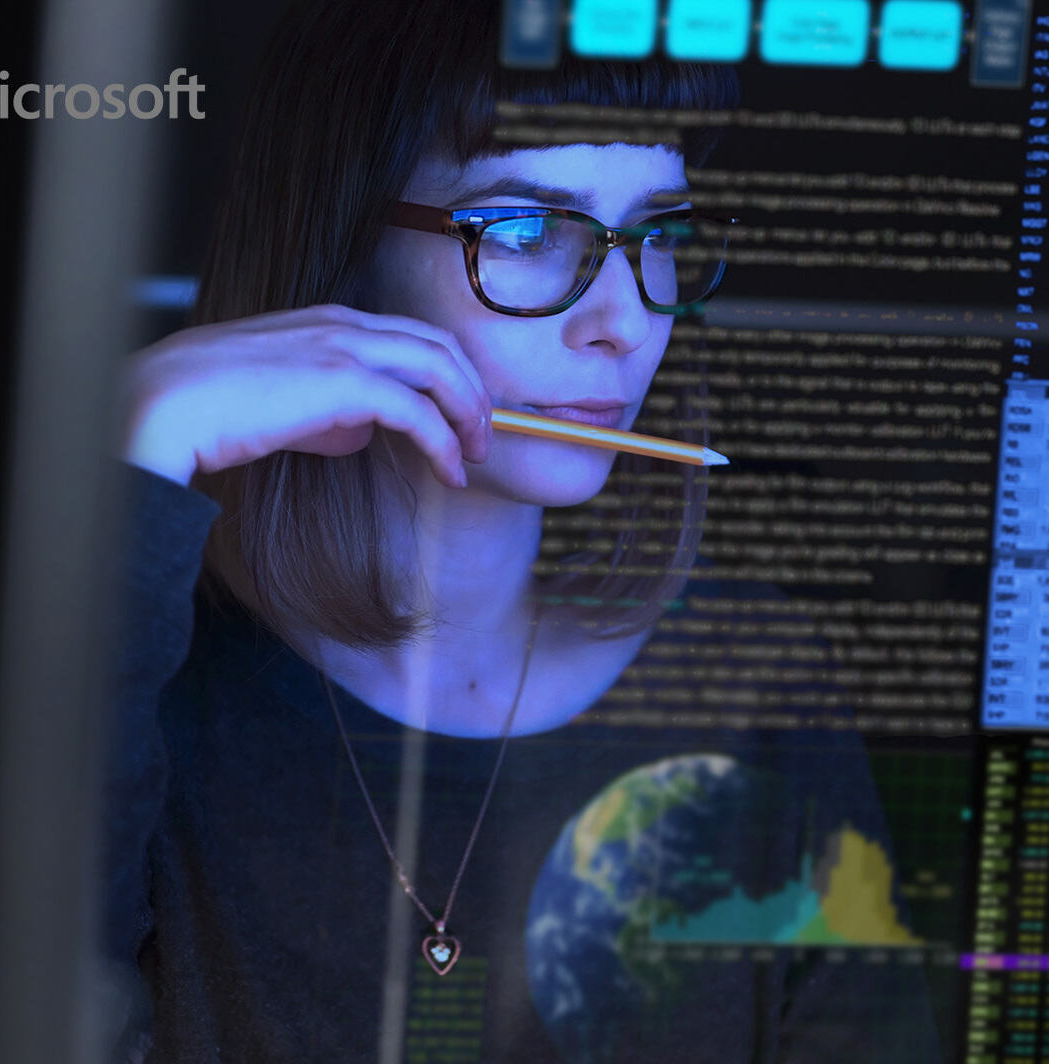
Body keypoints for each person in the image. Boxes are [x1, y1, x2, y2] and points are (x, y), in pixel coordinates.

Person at [106, 0, 943, 1060]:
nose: (627, 323)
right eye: (523, 229)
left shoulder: (754, 680)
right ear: (341, 240)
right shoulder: (148, 677)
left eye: (660, 234)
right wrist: (136, 453)